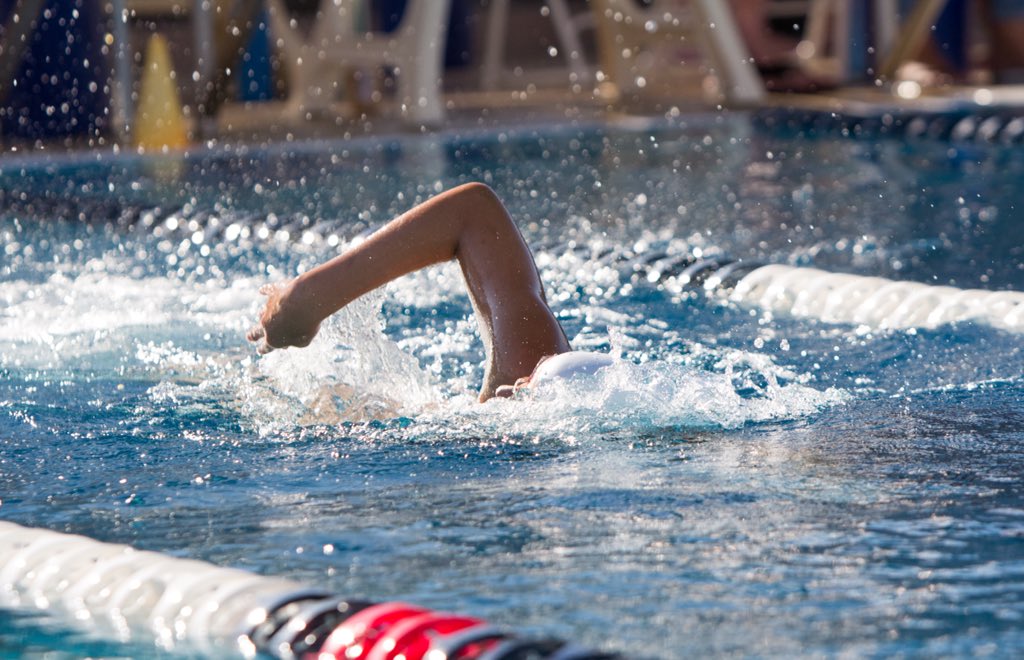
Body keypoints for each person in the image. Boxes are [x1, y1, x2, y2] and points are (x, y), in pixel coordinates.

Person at [248, 182, 615, 402]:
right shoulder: (530, 366)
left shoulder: (523, 386)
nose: (516, 387)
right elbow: (473, 211)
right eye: (528, 379)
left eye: (526, 384)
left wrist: (308, 297)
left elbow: (472, 209)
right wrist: (309, 297)